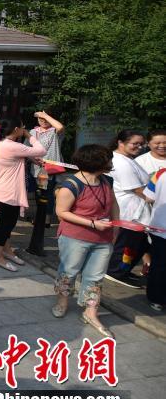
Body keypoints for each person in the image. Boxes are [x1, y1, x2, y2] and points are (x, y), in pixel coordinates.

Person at [51, 145, 118, 338]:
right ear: (97, 162)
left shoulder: (106, 181)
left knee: (95, 277)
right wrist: (93, 223)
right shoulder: (71, 184)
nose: (111, 162)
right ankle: (62, 302)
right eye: (108, 159)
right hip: (75, 238)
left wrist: (116, 227)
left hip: (103, 239)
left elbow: (113, 204)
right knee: (68, 272)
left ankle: (91, 312)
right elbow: (61, 212)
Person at [0, 118, 46, 272]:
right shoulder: (14, 146)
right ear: (16, 129)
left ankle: (7, 251)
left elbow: (16, 157)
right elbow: (42, 150)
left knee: (6, 223)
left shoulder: (0, 142)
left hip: (2, 189)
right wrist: (29, 135)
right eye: (23, 127)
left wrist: (31, 159)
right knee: (6, 225)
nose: (24, 129)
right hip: (9, 192)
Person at [105, 130, 154, 289]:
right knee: (128, 245)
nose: (139, 147)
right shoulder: (120, 162)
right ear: (121, 142)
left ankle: (124, 270)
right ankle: (116, 272)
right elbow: (137, 189)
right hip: (130, 212)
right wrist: (156, 199)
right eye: (135, 144)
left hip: (137, 209)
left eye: (141, 144)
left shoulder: (128, 159)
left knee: (138, 244)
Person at [26, 111, 66, 256]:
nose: (42, 121)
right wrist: (33, 159)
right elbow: (26, 149)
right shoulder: (32, 132)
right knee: (40, 194)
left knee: (45, 193)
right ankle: (41, 218)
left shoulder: (55, 132)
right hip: (36, 168)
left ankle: (45, 219)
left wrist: (45, 115)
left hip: (49, 169)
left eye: (45, 118)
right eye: (40, 118)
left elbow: (60, 127)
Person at [146, 167, 166, 311]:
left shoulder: (160, 173)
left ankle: (156, 299)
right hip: (160, 228)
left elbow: (149, 198)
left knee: (159, 264)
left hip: (159, 227)